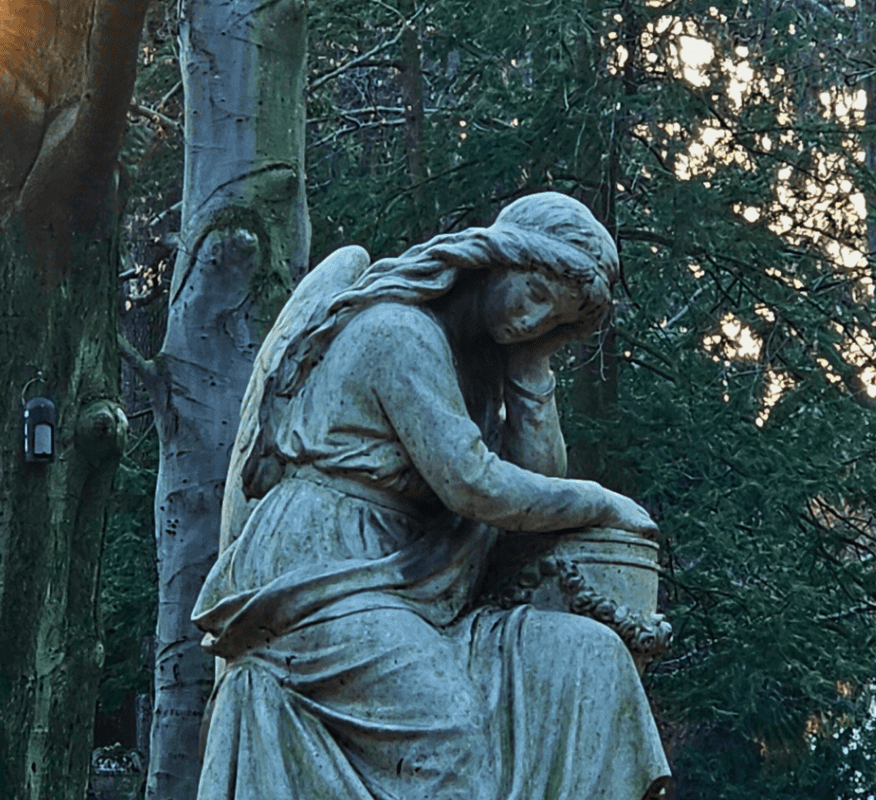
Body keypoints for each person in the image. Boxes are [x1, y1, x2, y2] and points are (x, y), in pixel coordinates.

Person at [193, 192, 671, 800]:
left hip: (418, 585)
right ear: (498, 257)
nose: (532, 320)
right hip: (326, 570)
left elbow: (533, 486)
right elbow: (474, 484)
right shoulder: (399, 331)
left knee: (588, 660)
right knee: (447, 743)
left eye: (555, 320)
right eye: (534, 293)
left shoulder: (479, 362)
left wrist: (530, 369)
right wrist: (598, 502)